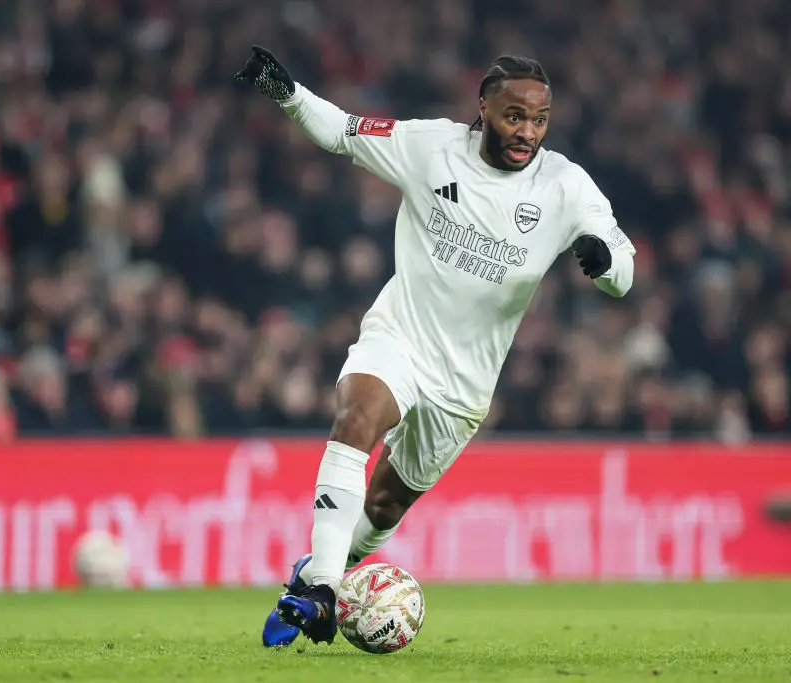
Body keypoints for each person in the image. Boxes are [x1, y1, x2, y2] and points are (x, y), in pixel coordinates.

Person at [234, 47, 636, 647]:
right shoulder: (430, 148)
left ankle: (325, 571)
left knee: (387, 504)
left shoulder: (565, 187)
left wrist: (605, 265)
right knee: (356, 416)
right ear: (483, 107)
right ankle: (319, 588)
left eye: (539, 119)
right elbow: (343, 132)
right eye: (513, 115)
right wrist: (287, 92)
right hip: (401, 334)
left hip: (465, 384)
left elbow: (624, 265)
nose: (527, 131)